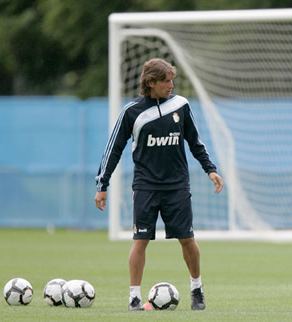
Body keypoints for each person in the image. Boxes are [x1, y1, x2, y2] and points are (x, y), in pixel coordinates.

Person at [94, 58, 224, 311]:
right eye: (166, 81)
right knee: (140, 241)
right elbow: (114, 150)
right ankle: (133, 297)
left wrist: (211, 169)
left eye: (172, 80)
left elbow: (195, 142)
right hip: (146, 186)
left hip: (177, 186)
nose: (171, 85)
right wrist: (102, 184)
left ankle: (197, 289)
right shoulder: (131, 112)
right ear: (150, 83)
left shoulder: (181, 106)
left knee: (187, 239)